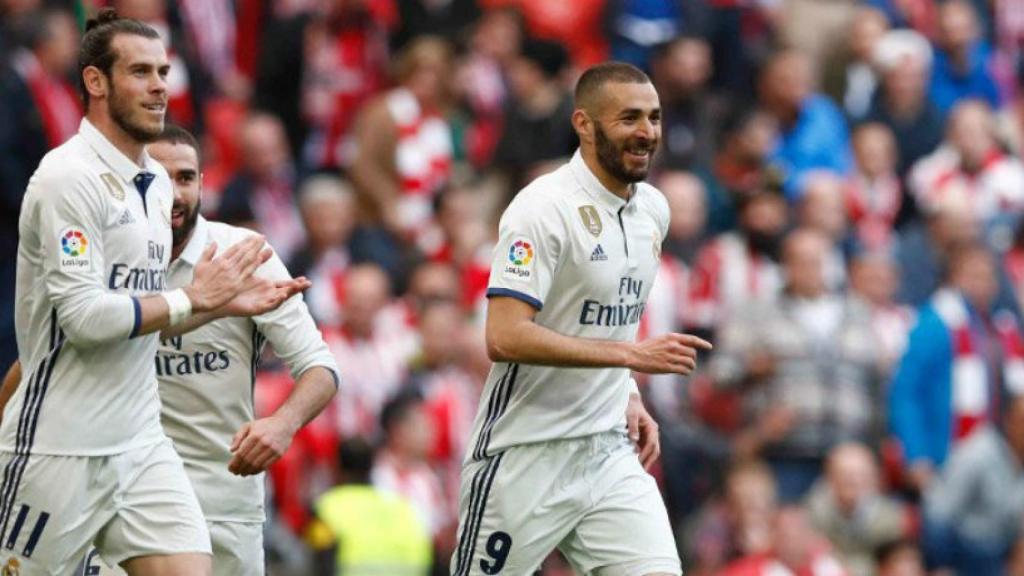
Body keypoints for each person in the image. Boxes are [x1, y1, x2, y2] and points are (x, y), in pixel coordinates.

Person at [0, 9, 305, 575]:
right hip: (59, 446)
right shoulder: (66, 178)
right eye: (140, 72)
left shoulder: (154, 186)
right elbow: (86, 320)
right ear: (96, 82)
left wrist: (213, 302)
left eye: (163, 71)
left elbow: (139, 318)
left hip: (140, 446)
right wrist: (196, 300)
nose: (160, 85)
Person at [451, 61, 712, 576]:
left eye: (655, 118)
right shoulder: (542, 208)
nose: (647, 133)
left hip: (608, 452)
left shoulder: (653, 211)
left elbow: (608, 318)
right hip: (524, 453)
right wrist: (631, 358)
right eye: (629, 118)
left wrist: (629, 392)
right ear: (584, 124)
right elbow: (503, 336)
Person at [147, 124, 338, 575]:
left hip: (225, 497)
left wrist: (282, 424)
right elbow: (74, 342)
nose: (175, 193)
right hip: (132, 498)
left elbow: (320, 366)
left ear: (203, 183)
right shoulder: (113, 257)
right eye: (159, 177)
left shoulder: (244, 253)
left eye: (186, 178)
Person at [307, 436, 432, 576]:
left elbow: (322, 558)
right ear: (372, 467)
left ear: (337, 467)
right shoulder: (402, 505)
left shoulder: (328, 507)